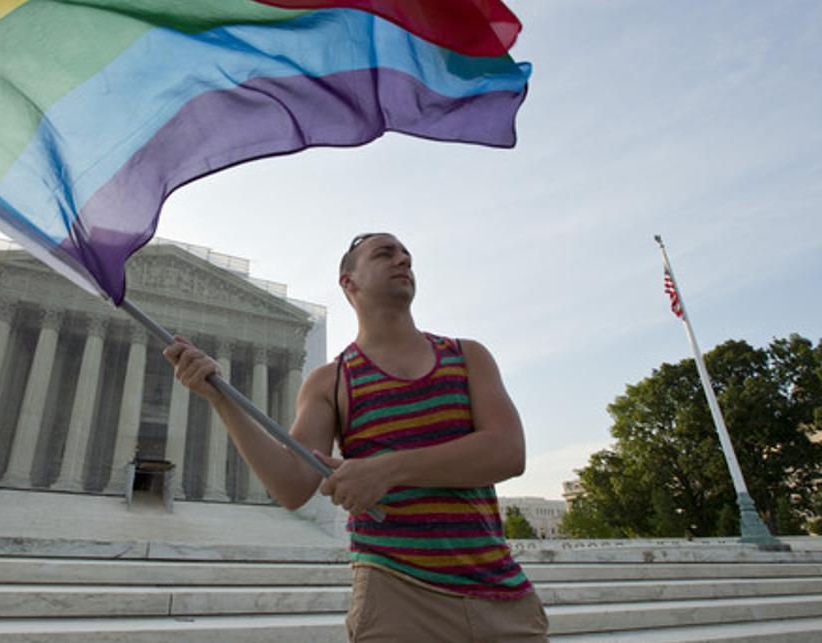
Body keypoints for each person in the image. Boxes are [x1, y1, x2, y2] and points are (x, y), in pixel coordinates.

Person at [164, 233, 548, 642]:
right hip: (397, 597)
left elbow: (508, 452)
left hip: (502, 596)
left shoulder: (468, 356)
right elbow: (292, 485)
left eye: (407, 255)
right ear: (349, 282)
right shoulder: (330, 381)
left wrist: (386, 470)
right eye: (385, 253)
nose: (403, 260)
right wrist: (221, 399)